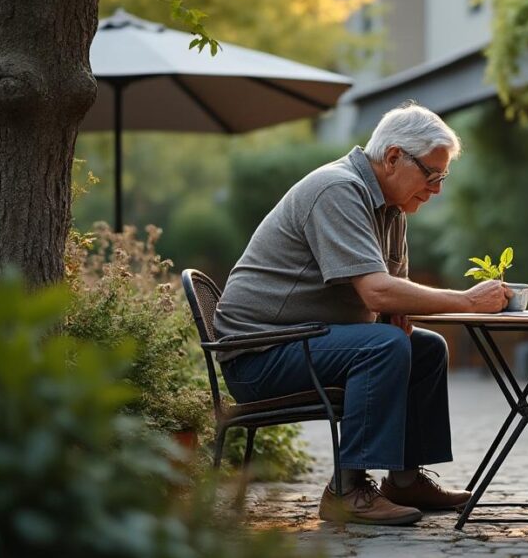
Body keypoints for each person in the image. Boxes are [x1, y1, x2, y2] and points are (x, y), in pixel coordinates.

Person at [213, 103, 511, 526]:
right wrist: (466, 301)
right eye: (432, 174)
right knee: (383, 346)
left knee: (425, 347)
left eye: (442, 177)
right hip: (260, 356)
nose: (437, 188)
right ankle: (347, 490)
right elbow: (376, 291)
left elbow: (394, 300)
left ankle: (405, 480)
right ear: (393, 158)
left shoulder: (392, 208)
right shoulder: (337, 189)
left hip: (303, 341)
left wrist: (399, 311)